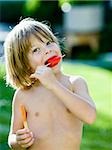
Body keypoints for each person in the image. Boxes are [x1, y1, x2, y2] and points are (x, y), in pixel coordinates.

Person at [4, 18, 96, 150]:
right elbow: (12, 137)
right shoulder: (23, 95)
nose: (47, 50)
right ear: (24, 65)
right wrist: (18, 141)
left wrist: (54, 85)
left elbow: (90, 116)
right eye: (36, 50)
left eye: (49, 42)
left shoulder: (75, 83)